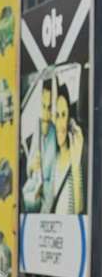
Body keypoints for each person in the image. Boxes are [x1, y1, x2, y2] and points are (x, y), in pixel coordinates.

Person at [22, 78, 57, 213]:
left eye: (49, 108)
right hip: (34, 195)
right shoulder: (36, 129)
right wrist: (32, 167)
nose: (46, 114)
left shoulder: (55, 133)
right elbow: (30, 168)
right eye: (44, 106)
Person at [50, 84, 85, 215]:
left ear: (69, 120)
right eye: (56, 115)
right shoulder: (51, 160)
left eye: (63, 115)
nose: (59, 123)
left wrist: (75, 163)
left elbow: (79, 209)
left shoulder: (74, 158)